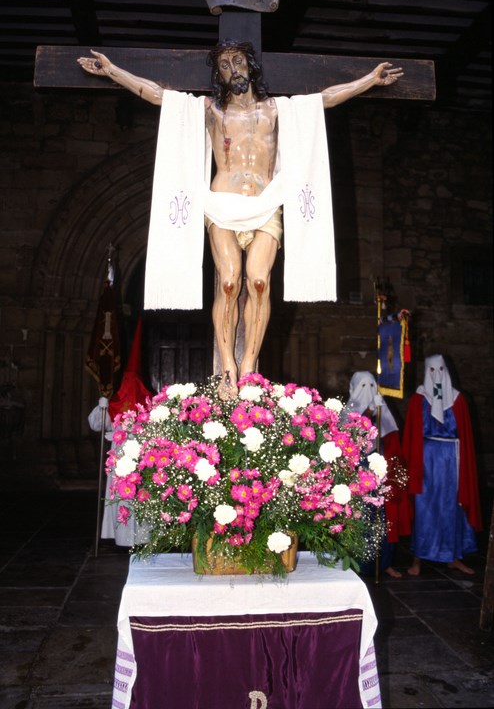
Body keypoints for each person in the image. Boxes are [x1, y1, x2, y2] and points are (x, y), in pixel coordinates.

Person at [77, 40, 403, 400]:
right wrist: (112, 71)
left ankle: (249, 364)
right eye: (224, 65)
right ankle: (228, 368)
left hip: (267, 203)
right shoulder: (211, 111)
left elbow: (325, 98)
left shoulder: (277, 110)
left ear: (251, 65)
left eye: (237, 61)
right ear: (219, 75)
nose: (233, 69)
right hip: (222, 205)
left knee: (259, 281)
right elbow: (157, 94)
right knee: (230, 283)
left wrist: (370, 80)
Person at [402, 354, 483, 576]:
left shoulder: (458, 400)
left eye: (440, 370)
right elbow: (411, 434)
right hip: (425, 460)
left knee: (452, 505)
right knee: (425, 506)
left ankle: (453, 556)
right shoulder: (418, 399)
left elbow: (465, 436)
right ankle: (418, 558)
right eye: (431, 370)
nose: (436, 375)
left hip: (451, 460)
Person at [345, 371, 411, 579]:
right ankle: (358, 563)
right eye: (363, 387)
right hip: (356, 476)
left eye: (371, 386)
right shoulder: (346, 414)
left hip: (380, 473)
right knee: (359, 518)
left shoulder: (382, 411)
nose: (368, 392)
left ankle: (384, 563)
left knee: (383, 520)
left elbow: (392, 442)